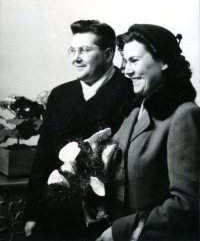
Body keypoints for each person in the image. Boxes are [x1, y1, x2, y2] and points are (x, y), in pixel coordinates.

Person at [23, 20, 134, 240]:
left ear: (108, 54)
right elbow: (43, 156)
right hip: (58, 211)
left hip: (107, 214)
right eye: (72, 50)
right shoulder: (60, 94)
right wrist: (33, 213)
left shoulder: (131, 91)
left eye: (84, 50)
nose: (75, 58)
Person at [97, 24, 200, 241]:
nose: (126, 70)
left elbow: (187, 205)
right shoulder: (135, 112)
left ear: (164, 62)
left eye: (134, 61)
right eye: (125, 61)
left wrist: (121, 231)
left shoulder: (184, 115)